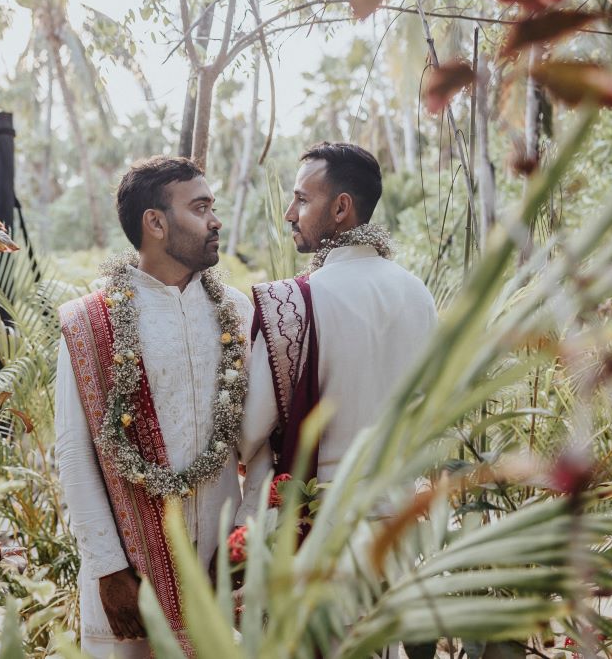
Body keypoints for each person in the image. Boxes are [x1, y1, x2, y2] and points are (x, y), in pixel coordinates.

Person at [235, 143, 438, 657]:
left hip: (315, 532)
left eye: (301, 199)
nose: (289, 213)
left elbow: (248, 429)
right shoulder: (417, 294)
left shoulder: (293, 301)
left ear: (341, 208)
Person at [56, 156, 253, 658]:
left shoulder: (237, 309)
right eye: (201, 207)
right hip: (130, 570)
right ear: (156, 222)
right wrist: (106, 567)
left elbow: (260, 440)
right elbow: (74, 451)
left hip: (221, 563)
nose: (215, 221)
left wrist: (244, 539)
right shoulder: (91, 322)